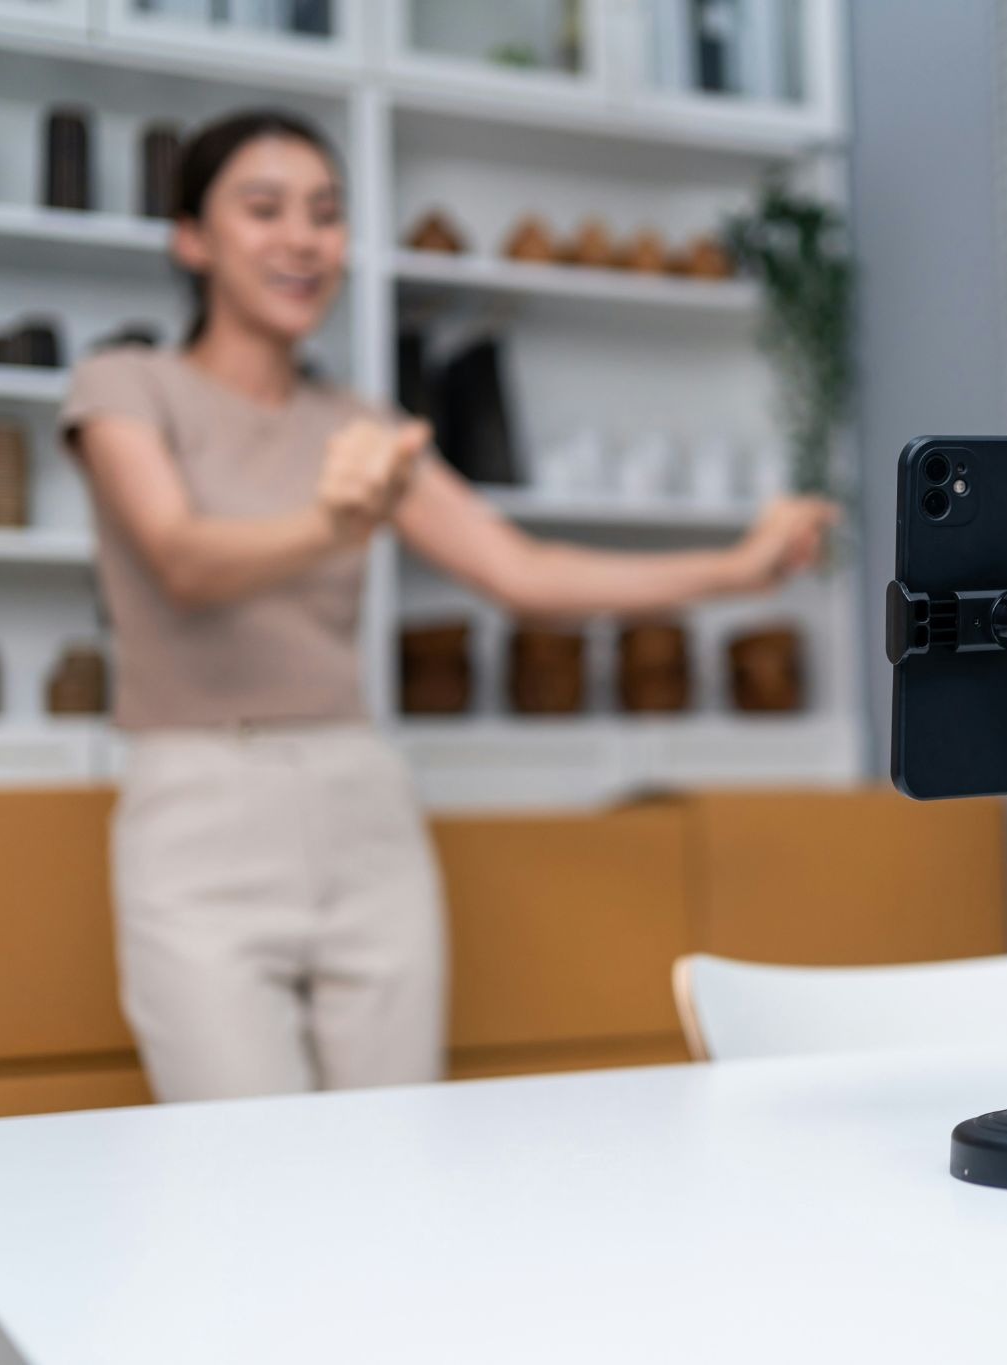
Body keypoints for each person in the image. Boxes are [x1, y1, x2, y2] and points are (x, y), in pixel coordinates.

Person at [62, 110, 836, 1103]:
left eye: (326, 214)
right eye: (264, 209)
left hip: (362, 804)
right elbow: (180, 559)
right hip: (196, 811)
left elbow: (523, 571)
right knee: (240, 1164)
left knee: (394, 1151)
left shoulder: (363, 427)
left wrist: (734, 571)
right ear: (190, 238)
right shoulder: (124, 386)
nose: (303, 239)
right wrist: (333, 521)